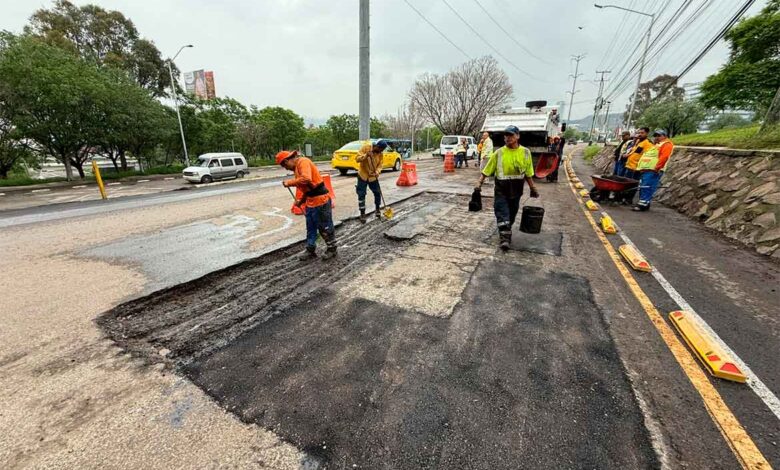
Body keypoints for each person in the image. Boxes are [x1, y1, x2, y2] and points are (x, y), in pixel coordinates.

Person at [475, 125, 540, 251]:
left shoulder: (525, 152)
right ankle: (505, 239)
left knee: (512, 214)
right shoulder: (499, 153)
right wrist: (479, 184)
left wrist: (533, 188)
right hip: (501, 189)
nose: (507, 138)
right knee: (501, 212)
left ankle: (506, 230)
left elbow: (528, 173)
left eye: (511, 135)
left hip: (516, 190)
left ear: (517, 136)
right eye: (506, 135)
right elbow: (487, 170)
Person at [277, 150, 337, 260]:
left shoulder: (303, 162)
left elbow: (306, 179)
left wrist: (289, 183)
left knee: (325, 226)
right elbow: (308, 188)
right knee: (311, 227)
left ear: (287, 160)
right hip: (311, 201)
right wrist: (301, 201)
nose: (285, 168)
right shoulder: (297, 168)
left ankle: (332, 249)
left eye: (284, 165)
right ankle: (310, 249)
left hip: (320, 201)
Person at [634, 129, 675, 211]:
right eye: (655, 135)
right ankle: (644, 203)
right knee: (644, 186)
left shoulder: (666, 144)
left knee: (647, 187)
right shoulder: (657, 145)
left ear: (664, 136)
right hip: (647, 170)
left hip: (653, 170)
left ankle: (643, 205)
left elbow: (664, 157)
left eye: (659, 135)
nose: (656, 137)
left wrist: (657, 168)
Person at [355, 139, 387, 223]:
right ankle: (362, 214)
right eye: (380, 149)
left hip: (373, 177)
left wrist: (377, 172)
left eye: (382, 150)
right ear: (376, 146)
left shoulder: (380, 154)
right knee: (361, 194)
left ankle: (377, 209)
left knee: (377, 192)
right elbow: (357, 159)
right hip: (363, 175)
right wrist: (365, 156)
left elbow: (380, 164)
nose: (381, 152)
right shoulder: (366, 148)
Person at [621, 127, 654, 204]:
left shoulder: (648, 143)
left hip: (636, 168)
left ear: (647, 133)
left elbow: (648, 155)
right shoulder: (638, 141)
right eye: (639, 133)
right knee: (627, 184)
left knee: (633, 185)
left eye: (642, 133)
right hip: (629, 166)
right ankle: (624, 198)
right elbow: (634, 151)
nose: (640, 134)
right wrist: (627, 155)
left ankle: (628, 200)